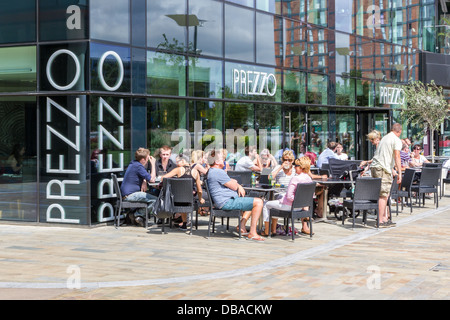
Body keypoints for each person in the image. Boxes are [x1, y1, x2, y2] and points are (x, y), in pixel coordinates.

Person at [206, 149, 264, 241]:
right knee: (259, 202)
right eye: (222, 158)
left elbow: (231, 183)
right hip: (227, 202)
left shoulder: (213, 171)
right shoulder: (218, 172)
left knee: (251, 201)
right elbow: (233, 186)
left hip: (225, 201)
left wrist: (236, 184)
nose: (224, 160)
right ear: (216, 161)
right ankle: (252, 233)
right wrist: (237, 184)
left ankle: (242, 225)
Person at [262, 157, 315, 236]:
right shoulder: (309, 179)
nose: (294, 167)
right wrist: (300, 201)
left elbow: (289, 197)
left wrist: (296, 200)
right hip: (300, 207)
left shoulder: (295, 178)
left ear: (301, 167)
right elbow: (311, 196)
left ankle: (266, 231)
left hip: (289, 206)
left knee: (266, 204)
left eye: (296, 166)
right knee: (275, 202)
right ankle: (273, 229)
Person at [370, 123, 403, 228]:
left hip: (376, 167)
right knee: (383, 195)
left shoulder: (385, 138)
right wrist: (399, 172)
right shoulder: (396, 140)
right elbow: (397, 156)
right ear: (400, 131)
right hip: (382, 168)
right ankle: (380, 220)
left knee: (385, 194)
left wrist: (392, 169)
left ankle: (384, 218)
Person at [161, 154, 205, 230]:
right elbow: (199, 190)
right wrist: (201, 199)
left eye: (177, 161)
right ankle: (185, 224)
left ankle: (182, 223)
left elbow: (163, 178)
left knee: (181, 196)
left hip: (177, 200)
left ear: (183, 160)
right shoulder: (196, 172)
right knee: (185, 197)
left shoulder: (178, 170)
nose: (176, 164)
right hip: (190, 201)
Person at [120, 148, 158, 227]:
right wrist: (153, 164)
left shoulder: (134, 163)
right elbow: (152, 179)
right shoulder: (139, 166)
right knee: (155, 200)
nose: (148, 160)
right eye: (147, 158)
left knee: (150, 196)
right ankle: (137, 215)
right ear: (143, 160)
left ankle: (137, 216)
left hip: (127, 195)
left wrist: (144, 181)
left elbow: (142, 175)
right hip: (131, 195)